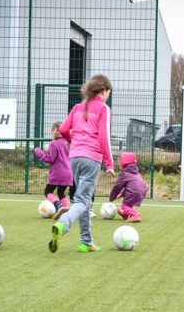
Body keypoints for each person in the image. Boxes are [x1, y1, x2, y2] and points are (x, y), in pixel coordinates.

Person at [49, 74, 115, 253]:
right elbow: (104, 137)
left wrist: (73, 141)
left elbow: (62, 129)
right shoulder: (103, 109)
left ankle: (86, 242)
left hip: (74, 158)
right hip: (91, 158)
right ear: (103, 91)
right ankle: (63, 224)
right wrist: (109, 164)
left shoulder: (77, 107)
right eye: (108, 92)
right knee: (83, 200)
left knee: (82, 198)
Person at [34, 121, 73, 220]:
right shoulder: (68, 142)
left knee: (48, 191)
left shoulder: (54, 144)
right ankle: (67, 209)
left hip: (58, 172)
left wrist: (39, 153)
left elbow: (50, 159)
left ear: (54, 131)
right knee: (61, 192)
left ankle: (58, 205)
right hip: (69, 172)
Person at [108, 152, 148, 223]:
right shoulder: (135, 172)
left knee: (124, 206)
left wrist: (111, 198)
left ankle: (135, 215)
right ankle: (127, 215)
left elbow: (117, 187)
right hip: (142, 190)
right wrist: (121, 194)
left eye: (120, 161)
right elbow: (130, 185)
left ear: (124, 163)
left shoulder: (125, 173)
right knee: (128, 206)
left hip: (135, 191)